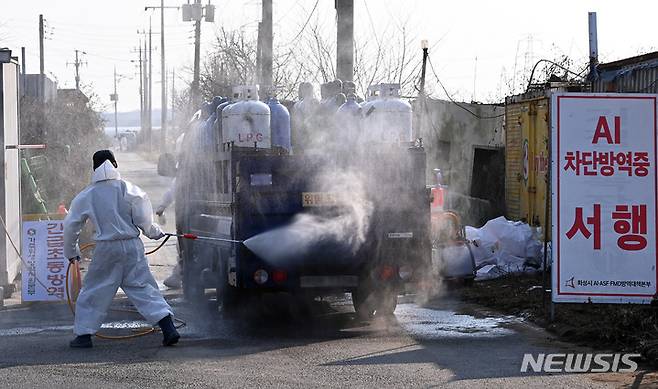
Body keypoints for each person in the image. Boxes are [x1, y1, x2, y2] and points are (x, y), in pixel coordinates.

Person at [64, 150, 180, 348]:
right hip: (132, 246)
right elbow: (145, 221)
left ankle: (83, 337)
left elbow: (71, 226)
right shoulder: (130, 189)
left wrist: (72, 252)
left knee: (94, 290)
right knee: (144, 288)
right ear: (115, 165)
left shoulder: (87, 195)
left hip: (106, 249)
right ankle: (169, 328)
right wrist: (156, 233)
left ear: (94, 168)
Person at [156, 178, 182, 289]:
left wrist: (162, 206)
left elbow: (172, 191)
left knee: (184, 247)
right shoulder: (184, 175)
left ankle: (178, 275)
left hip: (189, 218)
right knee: (183, 247)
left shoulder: (184, 173)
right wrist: (162, 206)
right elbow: (173, 191)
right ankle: (178, 275)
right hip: (188, 216)